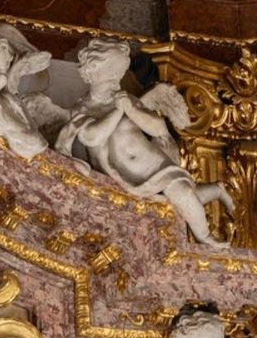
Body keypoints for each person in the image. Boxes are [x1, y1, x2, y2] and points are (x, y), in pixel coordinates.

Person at [55, 38, 233, 245]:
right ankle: (217, 189)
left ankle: (205, 236)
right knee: (172, 205)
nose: (116, 79)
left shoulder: (127, 99)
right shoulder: (83, 109)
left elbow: (158, 128)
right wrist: (117, 110)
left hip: (154, 166)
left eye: (120, 73)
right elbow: (92, 137)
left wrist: (130, 108)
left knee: (182, 192)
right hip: (121, 179)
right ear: (91, 71)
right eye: (112, 72)